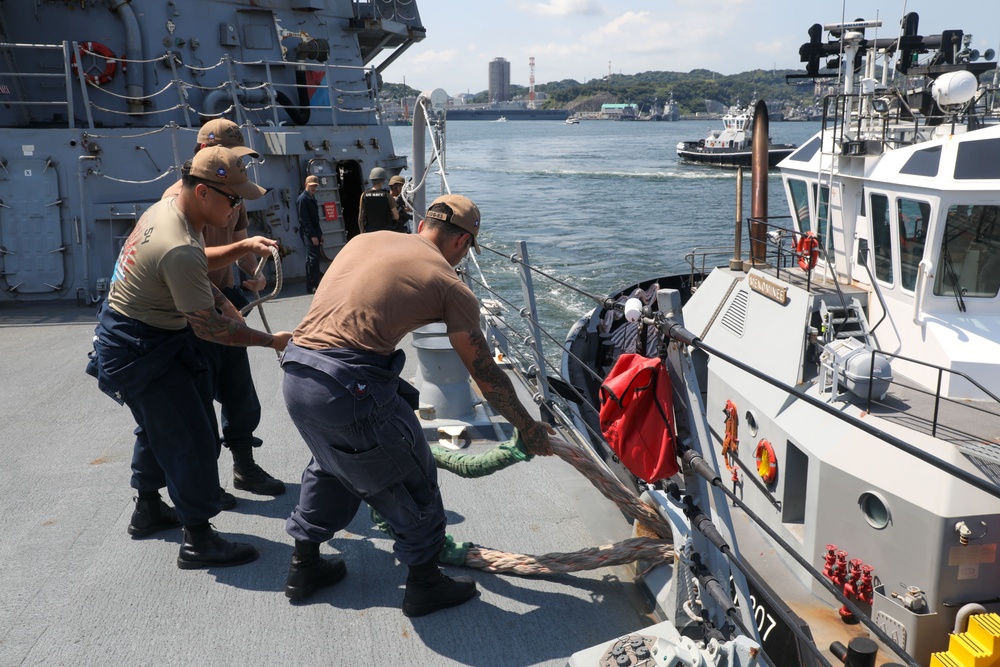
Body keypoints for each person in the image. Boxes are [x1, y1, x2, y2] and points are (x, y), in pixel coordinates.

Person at [279, 194, 553, 615]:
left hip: (297, 373)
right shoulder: (450, 284)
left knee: (331, 465)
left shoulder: (364, 240)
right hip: (348, 389)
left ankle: (304, 564)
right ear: (462, 242)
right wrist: (528, 428)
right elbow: (486, 374)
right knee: (411, 475)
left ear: (424, 224)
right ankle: (425, 584)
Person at [86, 146, 293, 570]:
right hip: (141, 346)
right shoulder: (177, 241)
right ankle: (199, 540)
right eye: (233, 198)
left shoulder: (170, 211)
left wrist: (233, 268)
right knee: (193, 437)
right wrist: (272, 341)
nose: (238, 208)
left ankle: (148, 509)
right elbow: (210, 328)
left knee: (157, 427)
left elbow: (191, 269)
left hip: (137, 334)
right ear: (203, 191)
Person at [162, 118, 285, 501]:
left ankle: (244, 466)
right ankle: (203, 485)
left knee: (239, 394)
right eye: (228, 158)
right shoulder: (176, 201)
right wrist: (242, 253)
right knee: (196, 405)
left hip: (228, 298)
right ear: (204, 155)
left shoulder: (232, 192)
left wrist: (253, 273)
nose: (236, 167)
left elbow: (237, 238)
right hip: (191, 314)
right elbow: (193, 257)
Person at [297, 175, 323, 294]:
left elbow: (315, 219)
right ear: (306, 185)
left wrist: (319, 234)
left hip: (314, 232)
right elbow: (304, 220)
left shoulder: (312, 198)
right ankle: (313, 285)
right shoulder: (303, 199)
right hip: (308, 233)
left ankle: (314, 283)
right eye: (312, 186)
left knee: (313, 258)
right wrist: (312, 236)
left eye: (315, 186)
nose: (314, 188)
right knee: (312, 258)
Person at [357, 167, 399, 233]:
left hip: (370, 231)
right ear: (382, 181)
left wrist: (362, 232)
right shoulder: (387, 195)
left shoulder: (364, 195)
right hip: (385, 231)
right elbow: (396, 216)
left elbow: (360, 218)